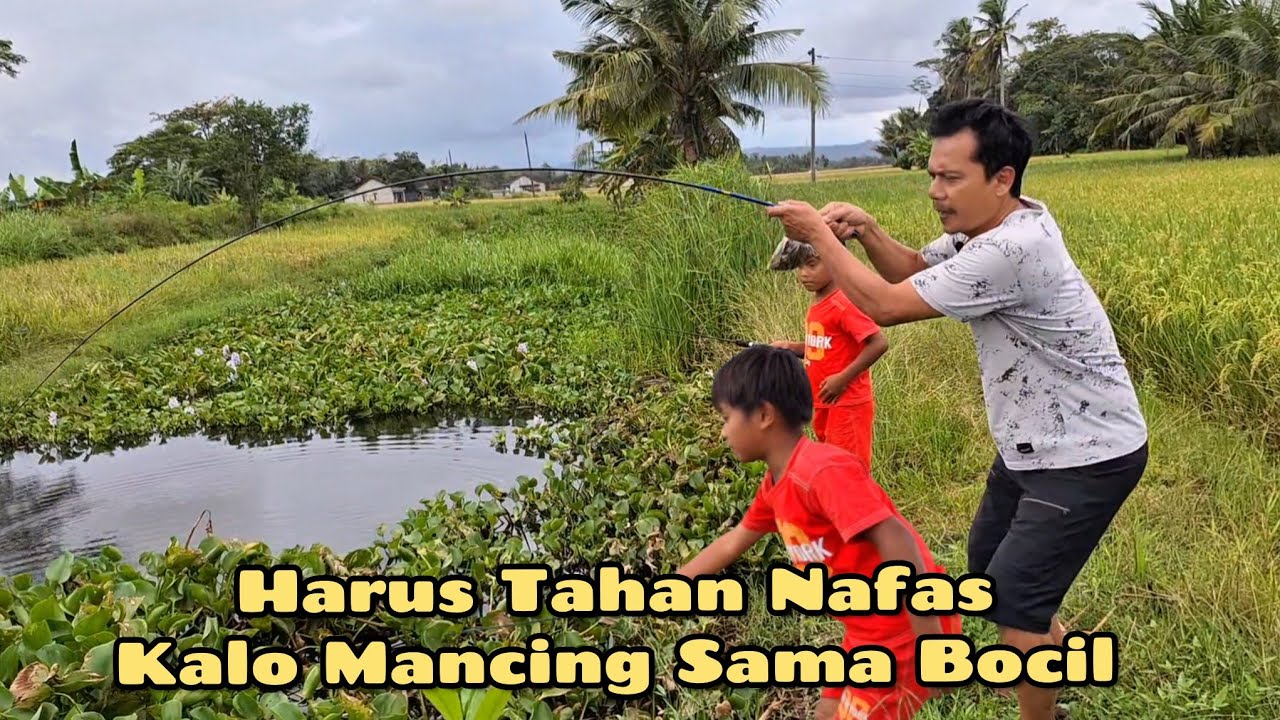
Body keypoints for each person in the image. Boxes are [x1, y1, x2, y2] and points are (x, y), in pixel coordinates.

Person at [764, 98, 1149, 720]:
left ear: (1003, 178)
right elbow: (913, 269)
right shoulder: (983, 232)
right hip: (1028, 445)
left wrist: (816, 237)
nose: (936, 192)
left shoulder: (1014, 248)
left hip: (1088, 453)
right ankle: (1044, 659)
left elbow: (887, 307)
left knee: (1013, 601)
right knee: (989, 572)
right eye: (932, 175)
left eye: (952, 178)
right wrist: (864, 231)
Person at [677, 344, 961, 720]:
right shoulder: (777, 484)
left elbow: (896, 538)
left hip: (900, 633)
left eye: (727, 418)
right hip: (863, 629)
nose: (723, 431)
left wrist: (931, 640)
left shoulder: (822, 473)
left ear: (764, 415)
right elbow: (733, 541)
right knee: (827, 712)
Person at [769, 236, 888, 468]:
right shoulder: (819, 301)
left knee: (848, 469)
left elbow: (878, 343)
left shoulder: (844, 302)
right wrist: (793, 348)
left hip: (847, 404)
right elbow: (826, 347)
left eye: (812, 265)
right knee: (832, 467)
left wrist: (842, 379)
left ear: (835, 261)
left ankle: (855, 505)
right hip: (824, 403)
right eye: (800, 266)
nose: (804, 273)